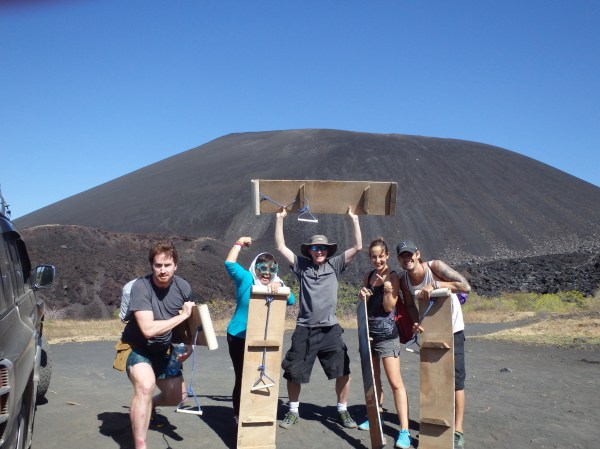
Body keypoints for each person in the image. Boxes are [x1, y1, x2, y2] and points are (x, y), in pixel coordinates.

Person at [274, 206, 362, 430]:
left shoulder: (336, 264)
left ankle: (342, 410)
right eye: (315, 247)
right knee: (294, 372)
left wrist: (354, 219)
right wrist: (280, 219)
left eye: (322, 247)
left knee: (343, 370)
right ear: (310, 250)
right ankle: (293, 411)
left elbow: (358, 247)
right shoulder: (302, 267)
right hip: (305, 328)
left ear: (327, 250)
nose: (319, 251)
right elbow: (280, 247)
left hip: (330, 329)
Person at [396, 239, 471, 449]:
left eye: (410, 254)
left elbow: (465, 286)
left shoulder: (435, 267)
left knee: (456, 380)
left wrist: (436, 284)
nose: (407, 258)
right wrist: (416, 321)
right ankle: (435, 424)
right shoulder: (404, 280)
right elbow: (410, 304)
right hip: (430, 332)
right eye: (403, 256)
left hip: (453, 329)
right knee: (433, 378)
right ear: (399, 259)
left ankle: (458, 431)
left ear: (417, 254)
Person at [121, 241, 195, 449]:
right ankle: (140, 445)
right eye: (157, 265)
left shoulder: (183, 287)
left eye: (167, 265)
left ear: (175, 265)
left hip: (164, 349)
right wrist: (182, 317)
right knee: (145, 385)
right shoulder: (141, 287)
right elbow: (148, 330)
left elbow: (187, 323)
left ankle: (149, 406)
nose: (162, 270)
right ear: (151, 266)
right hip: (138, 347)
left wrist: (188, 344)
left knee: (178, 397)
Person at [224, 236, 295, 425]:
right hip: (239, 336)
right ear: (255, 268)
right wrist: (238, 243)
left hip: (262, 338)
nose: (266, 273)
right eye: (262, 269)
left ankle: (255, 410)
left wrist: (279, 285)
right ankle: (239, 415)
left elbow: (291, 299)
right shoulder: (246, 279)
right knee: (243, 375)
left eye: (272, 270)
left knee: (259, 374)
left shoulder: (275, 284)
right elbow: (229, 263)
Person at [356, 237, 413, 448]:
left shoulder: (393, 276)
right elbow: (364, 304)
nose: (377, 260)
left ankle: (404, 431)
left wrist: (388, 289)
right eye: (373, 256)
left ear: (387, 256)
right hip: (369, 334)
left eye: (381, 256)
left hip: (388, 336)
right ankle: (375, 418)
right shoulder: (368, 276)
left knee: (395, 383)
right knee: (374, 380)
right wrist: (362, 294)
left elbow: (389, 308)